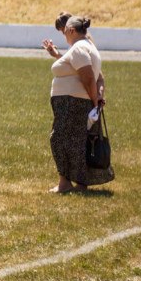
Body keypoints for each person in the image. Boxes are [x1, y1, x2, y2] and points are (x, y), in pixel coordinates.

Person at [41, 14, 113, 192]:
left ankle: (64, 183)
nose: (64, 35)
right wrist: (57, 55)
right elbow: (83, 72)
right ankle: (80, 183)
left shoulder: (79, 47)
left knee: (59, 140)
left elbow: (89, 77)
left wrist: (95, 99)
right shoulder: (85, 47)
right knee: (78, 142)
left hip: (72, 103)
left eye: (65, 31)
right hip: (76, 101)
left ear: (72, 30)